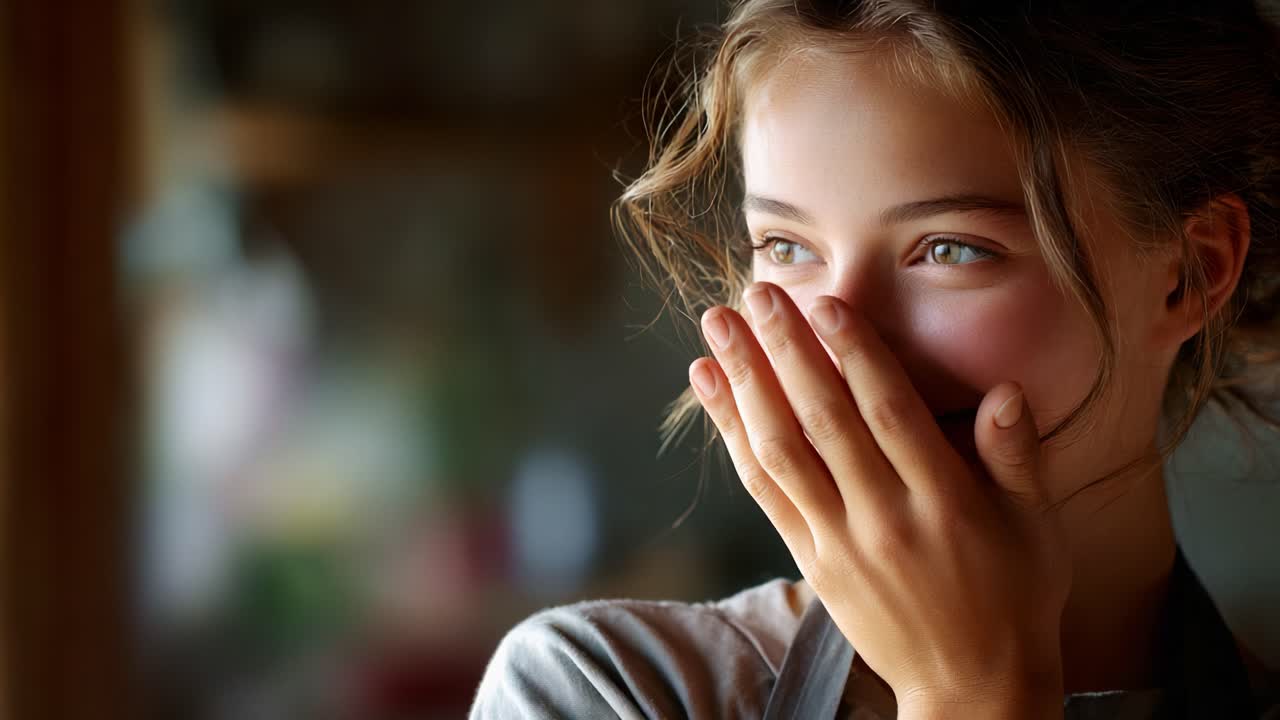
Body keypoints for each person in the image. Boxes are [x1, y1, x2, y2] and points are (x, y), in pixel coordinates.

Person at [469, 1, 1280, 717]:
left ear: (1190, 274)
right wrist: (967, 693)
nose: (836, 328)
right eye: (786, 245)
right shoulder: (602, 691)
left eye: (950, 249)